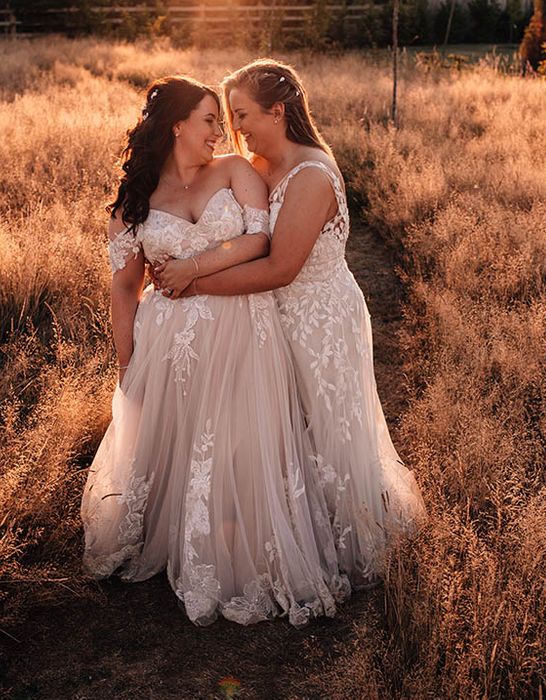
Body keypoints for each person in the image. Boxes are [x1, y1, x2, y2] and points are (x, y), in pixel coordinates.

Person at [81, 75, 350, 628]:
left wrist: (194, 270)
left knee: (237, 438)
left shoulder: (234, 170)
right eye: (210, 119)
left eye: (227, 117)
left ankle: (241, 547)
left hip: (239, 325)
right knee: (176, 441)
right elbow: (124, 290)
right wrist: (127, 365)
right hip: (168, 343)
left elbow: (260, 242)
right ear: (178, 125)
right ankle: (178, 538)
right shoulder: (135, 200)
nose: (222, 131)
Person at [154, 61, 427, 589]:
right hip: (267, 315)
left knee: (326, 425)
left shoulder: (311, 174)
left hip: (318, 317)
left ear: (278, 111)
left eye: (243, 114)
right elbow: (236, 237)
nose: (236, 129)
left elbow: (281, 267)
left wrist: (193, 279)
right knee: (282, 427)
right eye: (230, 117)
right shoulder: (255, 165)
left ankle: (347, 538)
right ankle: (286, 530)